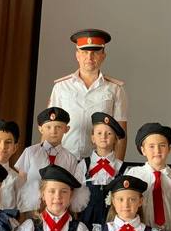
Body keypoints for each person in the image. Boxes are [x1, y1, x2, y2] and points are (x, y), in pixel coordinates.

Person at [49, 29, 128, 160]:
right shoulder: (61, 87)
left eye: (95, 52)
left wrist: (116, 168)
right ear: (77, 55)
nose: (89, 57)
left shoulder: (115, 89)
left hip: (100, 163)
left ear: (103, 56)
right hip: (64, 160)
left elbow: (121, 136)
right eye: (84, 52)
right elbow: (49, 129)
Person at [15, 107, 83, 210]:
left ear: (67, 129)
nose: (53, 131)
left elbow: (71, 188)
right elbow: (21, 181)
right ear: (40, 129)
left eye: (58, 127)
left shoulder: (71, 159)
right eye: (48, 127)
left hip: (58, 207)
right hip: (30, 207)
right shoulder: (30, 152)